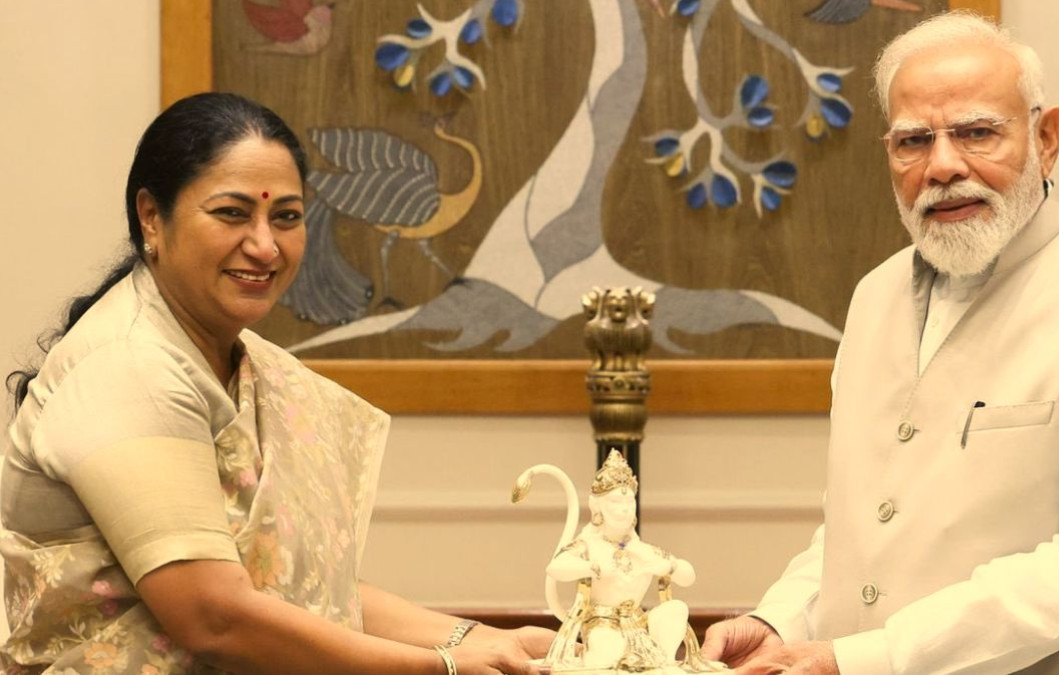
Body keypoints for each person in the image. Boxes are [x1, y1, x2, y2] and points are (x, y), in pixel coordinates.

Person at [701, 11, 1059, 675]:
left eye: (976, 132)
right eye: (913, 141)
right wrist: (780, 620)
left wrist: (873, 657)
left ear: (1046, 138)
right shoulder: (873, 297)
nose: (941, 166)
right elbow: (860, 532)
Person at [1, 92, 552, 674]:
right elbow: (213, 617)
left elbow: (308, 592)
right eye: (232, 213)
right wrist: (442, 666)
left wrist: (482, 639)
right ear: (151, 217)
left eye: (286, 217)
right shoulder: (127, 366)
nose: (265, 246)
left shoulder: (247, 367)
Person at [535, 451, 698, 672]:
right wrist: (591, 567)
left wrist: (671, 566)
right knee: (608, 655)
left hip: (639, 625)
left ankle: (666, 665)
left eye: (629, 501)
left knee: (676, 608)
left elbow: (688, 576)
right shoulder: (589, 545)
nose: (624, 509)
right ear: (596, 506)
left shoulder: (643, 550)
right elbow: (555, 567)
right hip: (602, 624)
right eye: (615, 501)